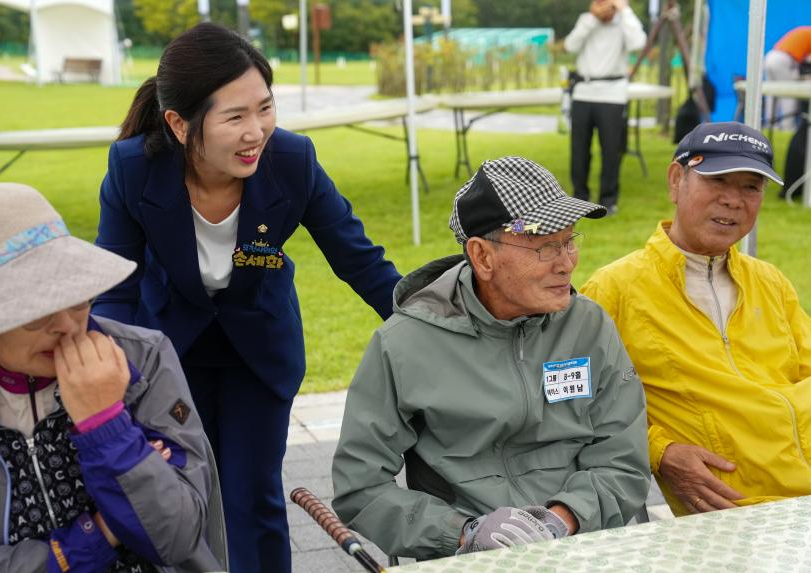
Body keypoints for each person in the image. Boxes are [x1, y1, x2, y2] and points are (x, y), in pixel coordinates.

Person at [93, 22, 401, 572]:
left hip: (257, 350)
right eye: (234, 116)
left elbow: (359, 259)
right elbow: (115, 288)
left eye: (265, 107)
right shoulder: (134, 167)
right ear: (179, 123)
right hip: (169, 354)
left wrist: (422, 325)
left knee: (253, 497)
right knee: (184, 496)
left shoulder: (292, 160)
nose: (256, 130)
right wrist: (110, 375)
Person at [331, 157, 650, 560]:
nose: (566, 262)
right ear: (482, 257)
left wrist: (560, 520)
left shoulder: (588, 325)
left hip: (581, 543)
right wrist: (462, 533)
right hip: (468, 556)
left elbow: (623, 458)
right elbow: (360, 488)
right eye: (546, 246)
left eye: (569, 241)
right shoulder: (404, 345)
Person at [0, 183, 224, 572]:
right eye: (36, 311)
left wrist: (107, 425)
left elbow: (178, 537)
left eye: (76, 296)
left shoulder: (142, 359)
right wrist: (94, 536)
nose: (66, 325)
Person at [582, 122, 811, 517]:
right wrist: (660, 452)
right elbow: (575, 408)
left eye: (750, 188)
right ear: (676, 180)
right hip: (746, 510)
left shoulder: (771, 282)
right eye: (718, 181)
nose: (733, 201)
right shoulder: (614, 289)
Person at [564, 0, 646, 215]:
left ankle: (608, 200)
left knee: (611, 150)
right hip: (583, 90)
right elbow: (570, 45)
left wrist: (625, 11)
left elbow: (638, 42)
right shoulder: (586, 21)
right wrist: (592, 18)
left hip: (613, 93)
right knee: (579, 149)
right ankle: (579, 197)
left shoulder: (623, 22)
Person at [763, 26, 811, 128]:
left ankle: (771, 127)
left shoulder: (804, 30)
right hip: (783, 60)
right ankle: (787, 128)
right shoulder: (808, 33)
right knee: (789, 95)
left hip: (769, 57)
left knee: (771, 95)